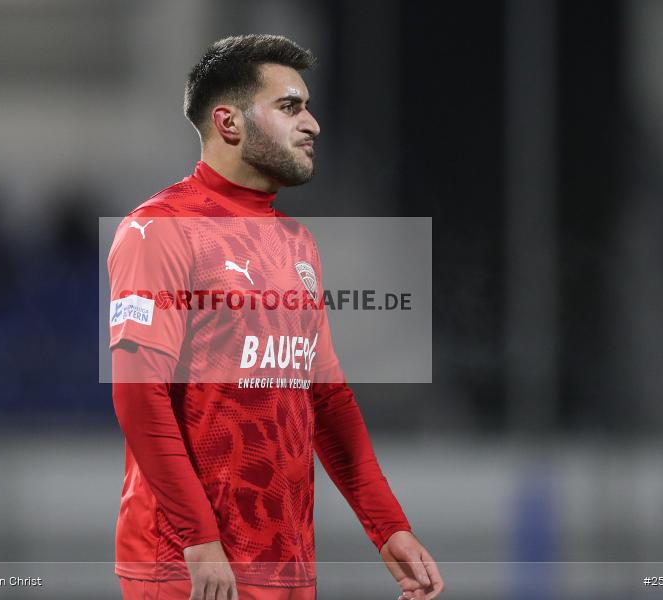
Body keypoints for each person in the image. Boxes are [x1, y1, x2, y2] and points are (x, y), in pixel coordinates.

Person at [108, 34, 443, 600]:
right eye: (290, 107)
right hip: (191, 566)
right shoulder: (160, 229)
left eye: (307, 107)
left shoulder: (296, 243)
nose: (311, 124)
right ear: (229, 123)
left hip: (284, 561)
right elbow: (140, 394)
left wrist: (388, 526)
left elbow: (327, 399)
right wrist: (198, 539)